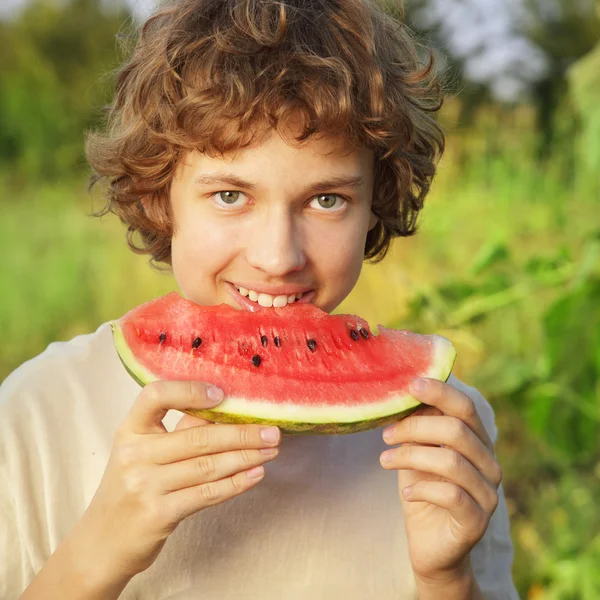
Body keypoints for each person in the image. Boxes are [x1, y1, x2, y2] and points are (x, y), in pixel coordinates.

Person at [0, 0, 519, 598]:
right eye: (229, 195)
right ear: (162, 196)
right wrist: (97, 552)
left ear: (376, 202)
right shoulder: (38, 413)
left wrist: (446, 580)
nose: (278, 258)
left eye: (327, 199)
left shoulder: (446, 434)